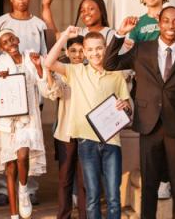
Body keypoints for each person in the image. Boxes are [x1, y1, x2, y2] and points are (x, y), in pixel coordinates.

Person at [105, 6, 175, 219]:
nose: (171, 26)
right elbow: (110, 63)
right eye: (166, 21)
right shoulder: (141, 49)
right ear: (159, 24)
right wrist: (120, 33)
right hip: (149, 125)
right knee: (149, 184)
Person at [44, 27, 131, 219]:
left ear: (106, 48)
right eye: (90, 50)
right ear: (84, 52)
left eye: (99, 48)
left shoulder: (117, 75)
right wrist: (65, 35)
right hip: (86, 142)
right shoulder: (75, 72)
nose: (95, 53)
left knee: (113, 197)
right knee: (91, 196)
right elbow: (49, 62)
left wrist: (125, 105)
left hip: (112, 142)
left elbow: (128, 109)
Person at [0, 0, 49, 206]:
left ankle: (29, 189)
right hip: (8, 96)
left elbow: (43, 55)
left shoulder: (38, 24)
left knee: (30, 144)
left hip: (31, 94)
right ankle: (5, 189)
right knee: (7, 145)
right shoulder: (0, 22)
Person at [45, 35, 87, 219]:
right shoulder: (62, 72)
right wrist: (48, 74)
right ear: (67, 53)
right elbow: (56, 92)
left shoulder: (91, 71)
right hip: (66, 132)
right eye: (73, 51)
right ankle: (64, 216)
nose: (77, 55)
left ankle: (87, 215)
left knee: (85, 179)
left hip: (87, 132)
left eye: (81, 50)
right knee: (64, 178)